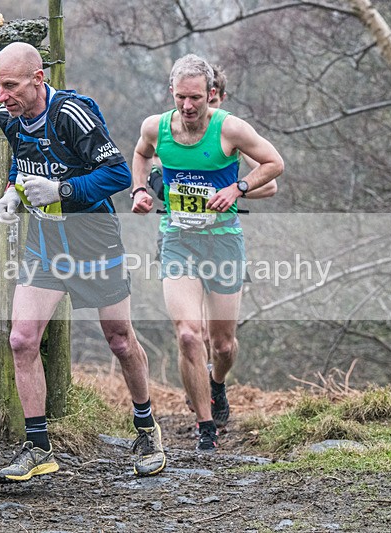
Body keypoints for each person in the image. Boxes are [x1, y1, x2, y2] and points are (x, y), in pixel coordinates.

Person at [0, 42, 166, 482]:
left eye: (9, 86)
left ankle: (146, 428)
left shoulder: (71, 114)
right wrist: (13, 192)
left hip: (94, 242)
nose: (1, 96)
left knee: (120, 340)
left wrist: (63, 192)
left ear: (38, 79)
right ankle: (37, 448)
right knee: (21, 339)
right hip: (46, 245)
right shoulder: (9, 120)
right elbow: (21, 164)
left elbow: (119, 175)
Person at [131, 54, 284, 451]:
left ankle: (217, 384)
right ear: (172, 93)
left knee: (223, 344)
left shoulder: (229, 127)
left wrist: (238, 189)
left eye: (196, 97)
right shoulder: (155, 126)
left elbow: (274, 164)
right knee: (186, 334)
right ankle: (205, 430)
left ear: (211, 93)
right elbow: (141, 154)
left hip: (223, 241)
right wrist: (140, 190)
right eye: (181, 97)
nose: (187, 105)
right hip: (178, 239)